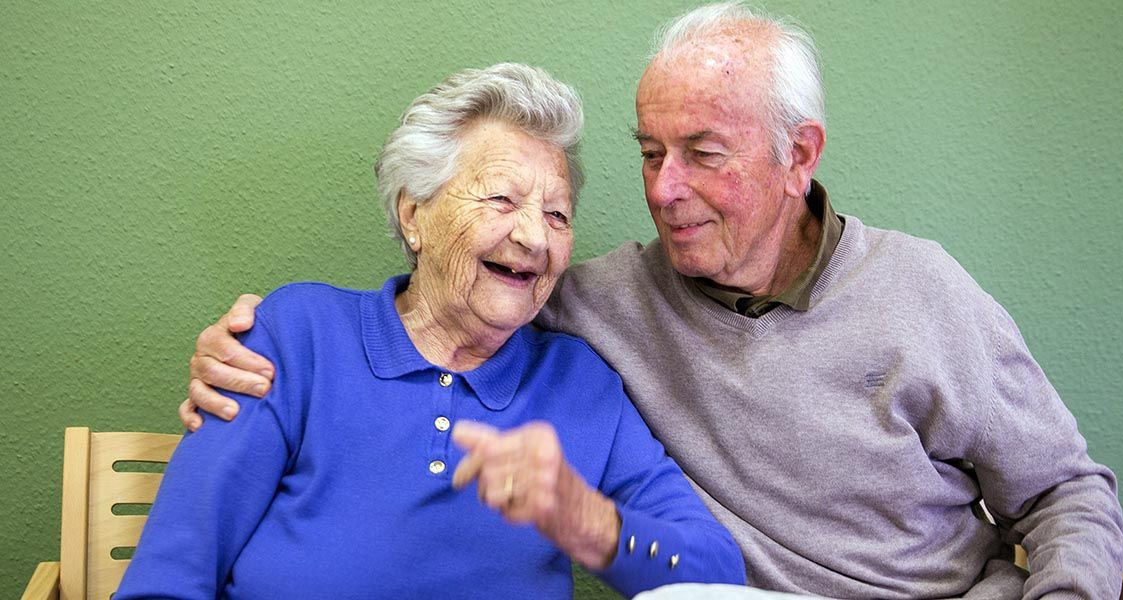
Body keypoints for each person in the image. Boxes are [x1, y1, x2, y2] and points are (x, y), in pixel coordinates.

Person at [182, 3, 1123, 598]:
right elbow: (448, 314)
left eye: (703, 154)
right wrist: (243, 351)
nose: (664, 189)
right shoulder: (596, 307)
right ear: (413, 213)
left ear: (798, 158)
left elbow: (1065, 491)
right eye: (647, 153)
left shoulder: (924, 294)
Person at [117, 62, 744, 600]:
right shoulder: (296, 339)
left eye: (556, 214)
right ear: (413, 213)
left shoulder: (581, 387)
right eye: (501, 200)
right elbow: (171, 573)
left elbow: (717, 575)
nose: (533, 236)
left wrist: (586, 519)